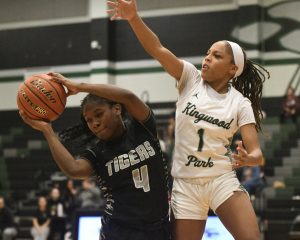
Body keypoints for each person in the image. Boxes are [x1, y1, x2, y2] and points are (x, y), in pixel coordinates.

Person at [106, 1, 270, 239]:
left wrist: (248, 159)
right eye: (207, 53)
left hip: (220, 180)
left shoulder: (240, 103)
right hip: (185, 184)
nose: (207, 58)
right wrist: (133, 18)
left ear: (232, 69)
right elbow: (157, 49)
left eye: (216, 55)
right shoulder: (190, 79)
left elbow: (257, 154)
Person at [18, 74, 170, 240]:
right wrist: (47, 131)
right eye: (89, 120)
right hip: (119, 231)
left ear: (117, 109)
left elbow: (128, 97)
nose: (94, 123)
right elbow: (73, 169)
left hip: (158, 227)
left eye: (99, 114)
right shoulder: (97, 153)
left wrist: (80, 86)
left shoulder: (142, 128)